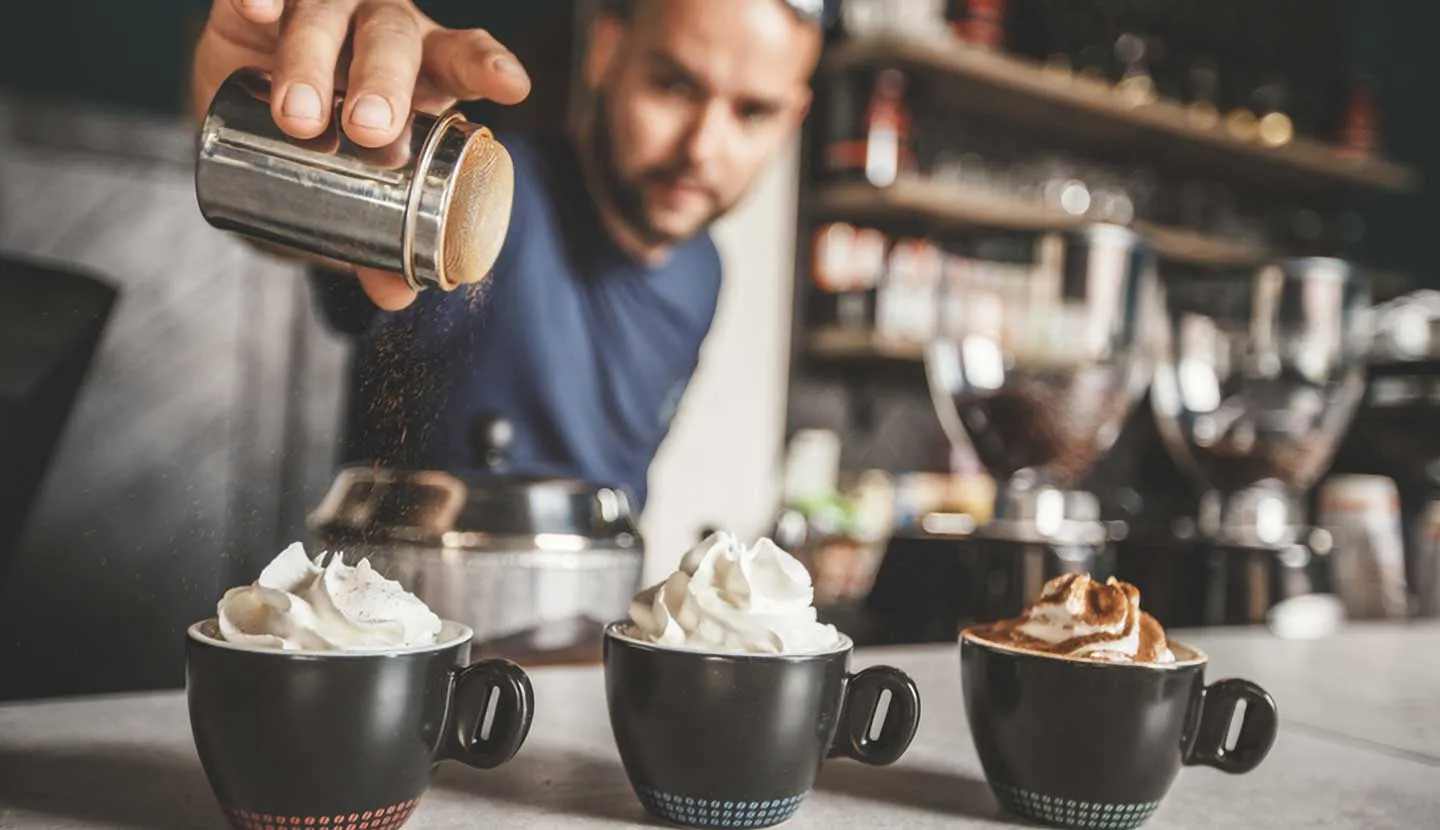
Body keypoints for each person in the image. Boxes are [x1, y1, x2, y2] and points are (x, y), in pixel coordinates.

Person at [191, 0, 824, 511]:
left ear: (793, 117)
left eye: (752, 112)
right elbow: (310, 239)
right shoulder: (486, 205)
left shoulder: (702, 271)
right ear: (606, 53)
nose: (703, 148)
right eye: (673, 85)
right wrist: (271, 131)